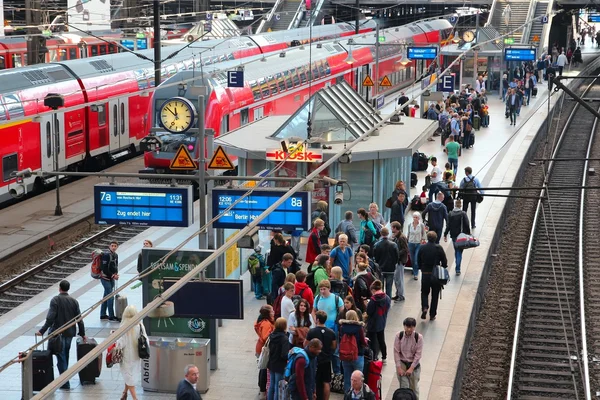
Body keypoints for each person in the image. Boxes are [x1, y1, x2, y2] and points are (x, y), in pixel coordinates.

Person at [37, 280, 85, 390]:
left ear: (59, 288)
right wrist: (82, 333)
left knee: (61, 357)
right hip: (69, 333)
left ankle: (65, 382)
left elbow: (50, 318)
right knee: (65, 355)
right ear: (68, 288)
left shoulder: (55, 300)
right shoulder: (74, 301)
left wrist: (42, 331)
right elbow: (79, 319)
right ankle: (64, 378)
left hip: (57, 333)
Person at [116, 305, 148, 400]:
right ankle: (124, 393)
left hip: (127, 357)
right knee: (130, 375)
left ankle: (135, 398)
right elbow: (146, 339)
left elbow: (120, 344)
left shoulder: (123, 327)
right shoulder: (140, 325)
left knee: (129, 376)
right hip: (137, 355)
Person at [417, 231, 448, 321]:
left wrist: (420, 267)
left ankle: (425, 307)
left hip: (425, 274)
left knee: (424, 292)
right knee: (435, 295)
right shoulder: (439, 248)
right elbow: (444, 261)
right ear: (435, 238)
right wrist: (443, 267)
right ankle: (432, 314)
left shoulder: (422, 247)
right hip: (436, 275)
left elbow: (418, 259)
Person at [307, 311, 337, 400]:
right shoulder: (331, 333)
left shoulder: (311, 332)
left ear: (317, 319)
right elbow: (334, 346)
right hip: (327, 360)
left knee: (314, 381)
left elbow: (306, 344)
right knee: (326, 382)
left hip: (315, 360)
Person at [338, 310, 368, 393]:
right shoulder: (359, 328)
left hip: (345, 355)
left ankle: (347, 395)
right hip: (357, 355)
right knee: (358, 379)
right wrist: (366, 341)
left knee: (347, 378)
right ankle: (358, 395)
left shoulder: (342, 327)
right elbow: (363, 341)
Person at [393, 318, 423, 399]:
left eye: (411, 327)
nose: (409, 329)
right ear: (404, 326)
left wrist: (411, 368)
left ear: (414, 327)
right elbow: (396, 352)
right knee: (404, 388)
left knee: (414, 388)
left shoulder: (418, 337)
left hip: (414, 366)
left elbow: (418, 355)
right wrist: (398, 367)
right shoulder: (399, 336)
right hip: (402, 364)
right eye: (407, 327)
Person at [365, 280, 391, 363]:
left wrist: (366, 304)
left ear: (373, 290)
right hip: (382, 321)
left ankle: (373, 356)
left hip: (372, 323)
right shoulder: (386, 297)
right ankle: (384, 357)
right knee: (381, 340)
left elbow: (369, 312)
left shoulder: (373, 300)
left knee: (371, 341)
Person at [444, 198, 471, 276]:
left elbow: (448, 225)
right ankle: (458, 268)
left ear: (455, 205)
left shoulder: (450, 214)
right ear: (460, 205)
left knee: (456, 250)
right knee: (459, 251)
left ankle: (457, 266)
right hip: (461, 236)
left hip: (454, 236)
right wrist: (468, 234)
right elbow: (467, 224)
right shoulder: (463, 213)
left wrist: (445, 234)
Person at [373, 227, 400, 299]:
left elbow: (375, 256)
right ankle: (388, 301)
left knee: (380, 287)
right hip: (390, 269)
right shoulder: (393, 244)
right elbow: (397, 257)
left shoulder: (377, 245)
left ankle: (381, 301)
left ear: (381, 234)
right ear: (388, 233)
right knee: (389, 288)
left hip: (380, 268)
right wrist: (393, 263)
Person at [268, 317, 290, 400]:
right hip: (280, 365)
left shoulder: (271, 335)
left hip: (271, 363)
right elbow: (284, 354)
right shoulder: (284, 338)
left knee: (271, 385)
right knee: (279, 386)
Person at [255, 305, 275, 399]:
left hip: (260, 348)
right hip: (265, 349)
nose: (273, 312)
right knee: (263, 370)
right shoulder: (266, 323)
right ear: (267, 314)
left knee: (262, 369)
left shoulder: (261, 321)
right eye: (272, 311)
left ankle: (261, 389)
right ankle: (262, 391)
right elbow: (265, 337)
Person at [100, 241, 119, 321]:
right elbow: (104, 268)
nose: (114, 247)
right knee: (110, 297)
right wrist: (113, 275)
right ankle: (111, 316)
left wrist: (116, 274)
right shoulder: (106, 255)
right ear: (109, 246)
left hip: (111, 278)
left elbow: (115, 266)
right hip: (105, 278)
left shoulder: (116, 255)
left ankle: (103, 314)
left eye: (115, 246)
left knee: (106, 296)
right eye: (112, 246)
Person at [390, 221, 408, 302]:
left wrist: (396, 254)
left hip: (400, 261)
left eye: (392, 227)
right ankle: (398, 294)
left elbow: (405, 249)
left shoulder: (401, 237)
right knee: (397, 278)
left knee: (399, 279)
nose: (391, 229)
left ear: (395, 228)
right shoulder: (397, 237)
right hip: (398, 260)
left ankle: (401, 295)